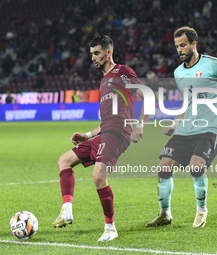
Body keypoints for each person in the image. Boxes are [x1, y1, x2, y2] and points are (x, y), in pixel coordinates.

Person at [52, 35, 149, 241]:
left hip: (118, 134)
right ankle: (66, 210)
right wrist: (87, 135)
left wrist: (140, 124)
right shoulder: (104, 81)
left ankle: (110, 228)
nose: (93, 58)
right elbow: (107, 120)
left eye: (96, 53)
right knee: (64, 160)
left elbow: (147, 95)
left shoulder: (122, 72)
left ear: (108, 52)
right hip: (105, 133)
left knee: (98, 177)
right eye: (91, 54)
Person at [146, 27, 217, 228]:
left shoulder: (213, 64)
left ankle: (201, 210)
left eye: (183, 45)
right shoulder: (178, 72)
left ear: (193, 44)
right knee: (163, 167)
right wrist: (174, 123)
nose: (179, 50)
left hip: (209, 130)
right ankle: (165, 214)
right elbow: (186, 103)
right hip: (185, 130)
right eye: (176, 47)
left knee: (196, 166)